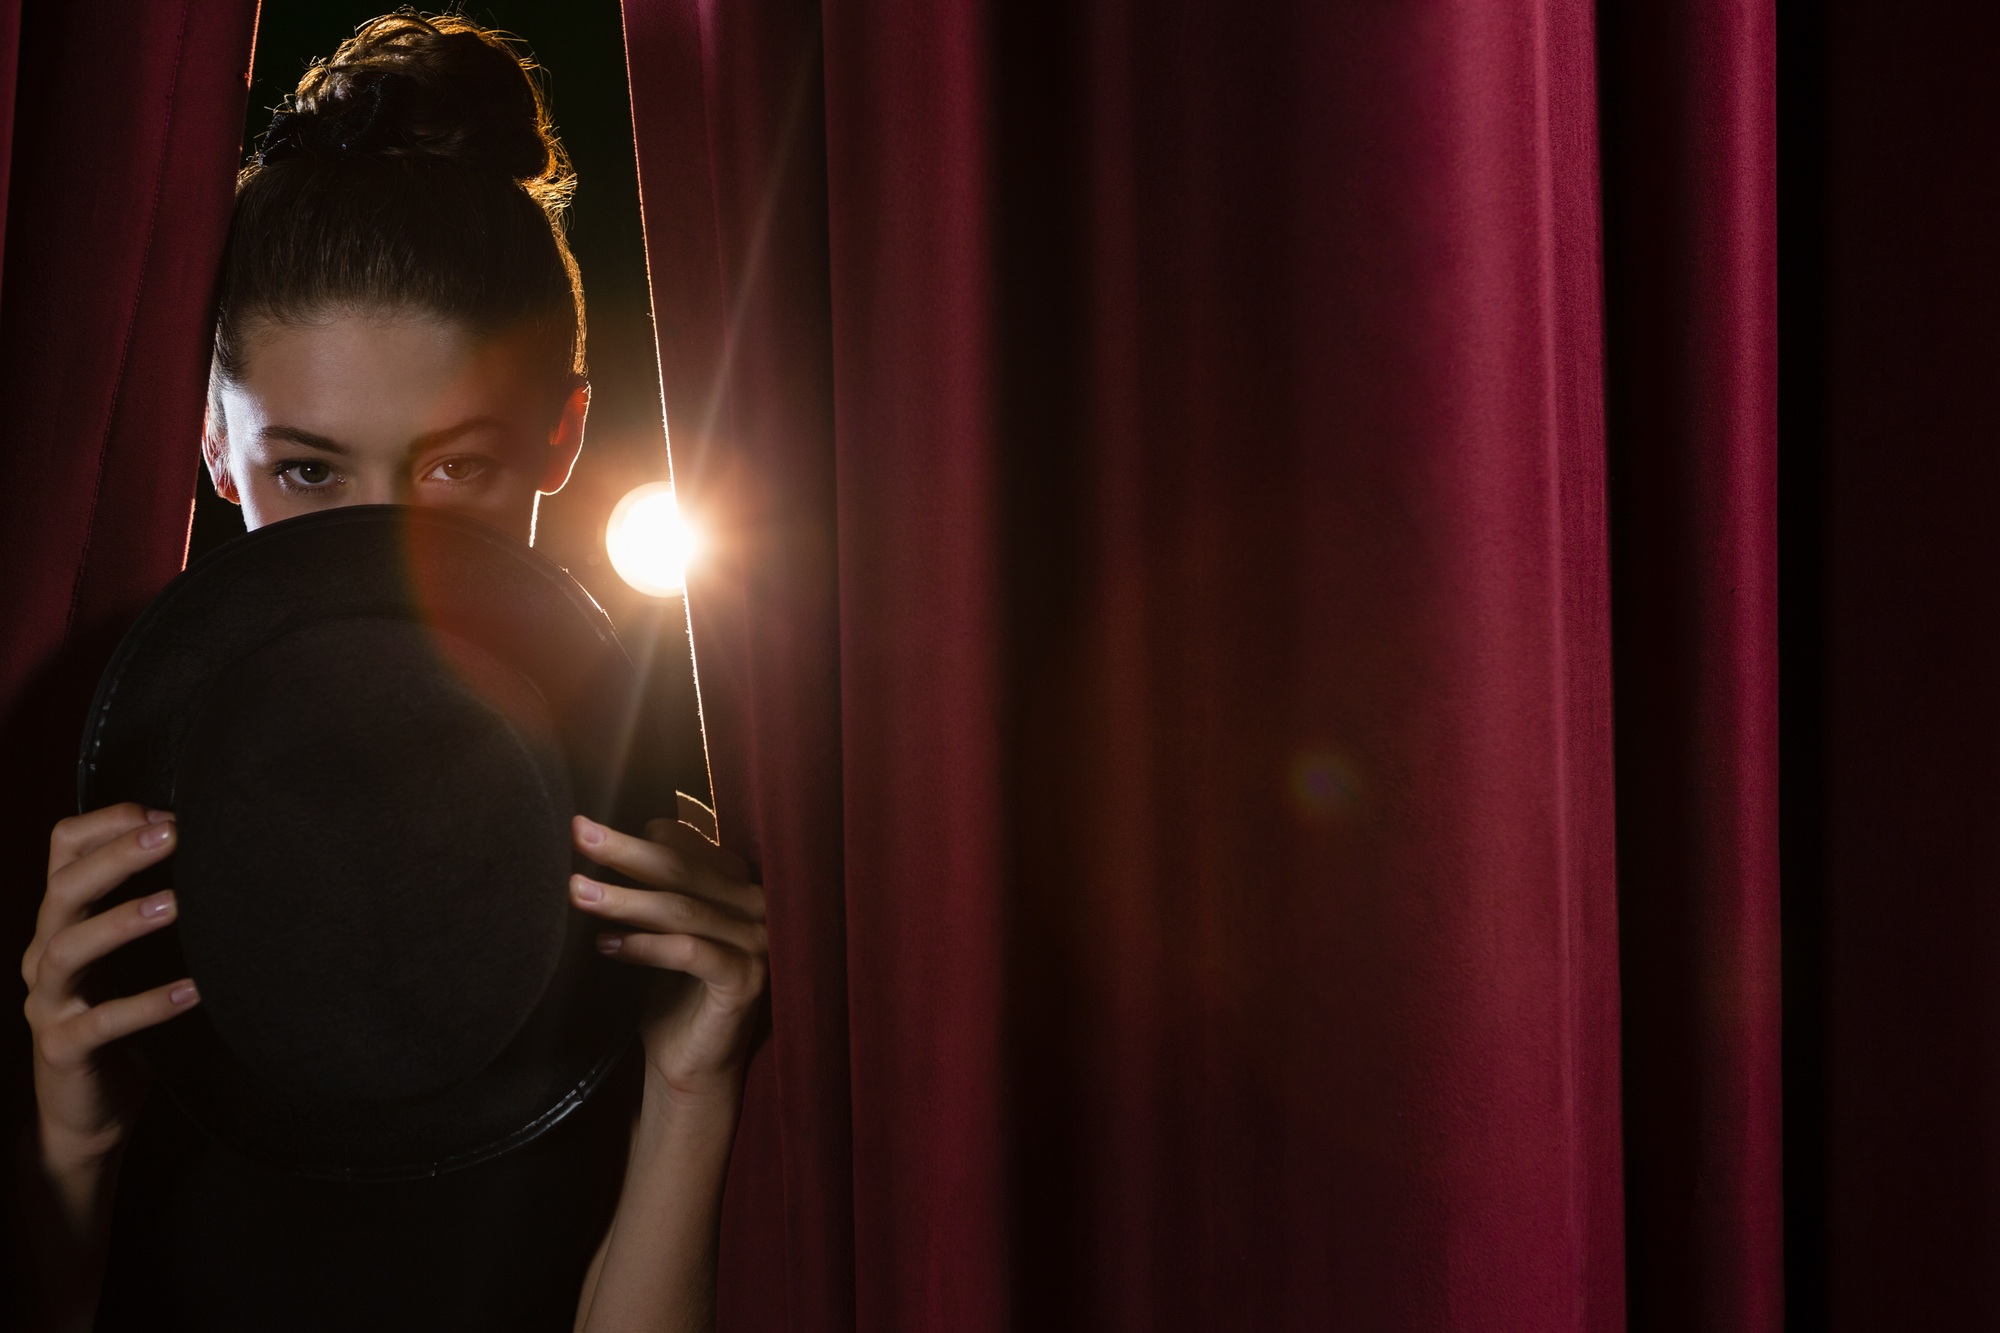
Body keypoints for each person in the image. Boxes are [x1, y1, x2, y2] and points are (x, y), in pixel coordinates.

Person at [13, 15, 767, 1332]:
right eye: (310, 469)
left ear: (560, 437)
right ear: (210, 438)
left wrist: (692, 1094)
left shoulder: (663, 827)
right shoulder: (78, 824)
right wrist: (66, 1144)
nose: (387, 548)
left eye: (456, 468)